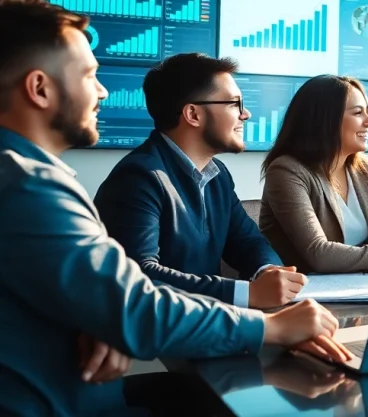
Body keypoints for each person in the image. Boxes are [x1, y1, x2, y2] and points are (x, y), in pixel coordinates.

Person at [0, 0, 349, 416]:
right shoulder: (28, 186)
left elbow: (115, 296)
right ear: (40, 88)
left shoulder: (27, 178)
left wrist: (102, 318)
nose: (103, 91)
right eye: (89, 75)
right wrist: (269, 326)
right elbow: (137, 300)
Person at [94, 53, 302, 310]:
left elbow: (248, 241)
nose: (245, 114)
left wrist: (267, 271)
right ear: (193, 114)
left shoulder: (218, 175)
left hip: (208, 322)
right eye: (235, 104)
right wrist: (246, 293)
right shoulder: (138, 178)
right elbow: (140, 275)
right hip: (162, 327)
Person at [260, 75, 368, 273]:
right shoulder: (286, 171)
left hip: (363, 284)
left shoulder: (365, 168)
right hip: (306, 287)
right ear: (325, 119)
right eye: (358, 113)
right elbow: (318, 253)